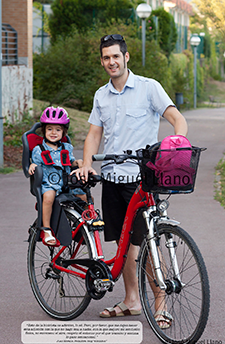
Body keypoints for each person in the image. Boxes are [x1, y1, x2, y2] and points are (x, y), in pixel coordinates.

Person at [73, 34, 188, 326]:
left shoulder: (149, 88)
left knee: (148, 242)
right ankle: (132, 300)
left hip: (142, 180)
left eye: (116, 56)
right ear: (102, 61)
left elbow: (177, 118)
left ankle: (160, 305)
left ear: (126, 57)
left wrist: (175, 146)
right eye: (106, 57)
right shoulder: (101, 95)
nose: (111, 61)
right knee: (123, 245)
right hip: (112, 179)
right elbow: (94, 134)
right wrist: (87, 163)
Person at [29, 106, 85, 247]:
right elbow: (34, 163)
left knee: (83, 196)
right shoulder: (38, 150)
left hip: (67, 182)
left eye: (58, 130)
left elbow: (71, 161)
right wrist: (32, 166)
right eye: (49, 129)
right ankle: (46, 229)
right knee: (48, 198)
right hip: (49, 183)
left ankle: (82, 226)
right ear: (44, 130)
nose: (53, 132)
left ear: (64, 132)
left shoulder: (67, 147)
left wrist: (78, 162)